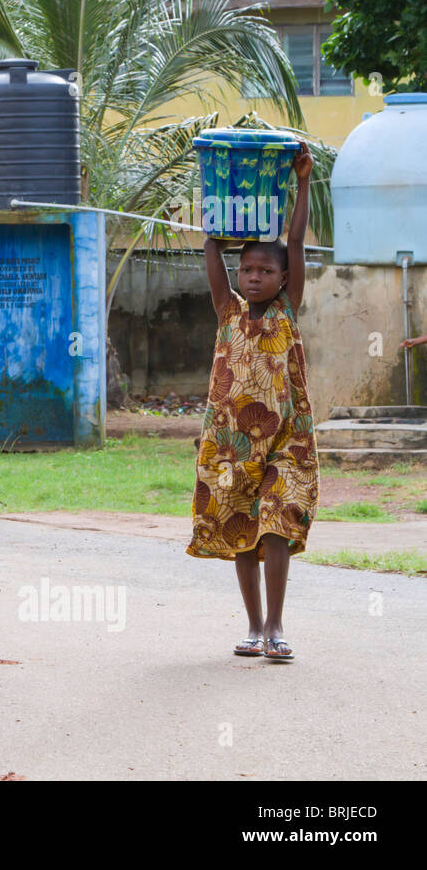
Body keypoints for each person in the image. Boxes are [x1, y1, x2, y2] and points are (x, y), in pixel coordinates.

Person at [188, 143, 317, 661]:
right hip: (232, 444)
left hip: (286, 441)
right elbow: (213, 252)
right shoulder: (227, 312)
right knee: (242, 531)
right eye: (248, 271)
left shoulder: (287, 309)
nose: (255, 277)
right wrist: (214, 228)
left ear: (283, 278)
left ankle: (278, 625)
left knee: (277, 522)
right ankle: (254, 625)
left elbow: (295, 240)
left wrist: (302, 181)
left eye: (265, 271)